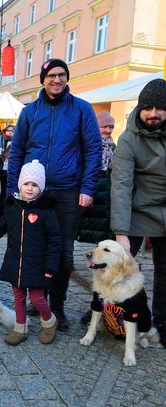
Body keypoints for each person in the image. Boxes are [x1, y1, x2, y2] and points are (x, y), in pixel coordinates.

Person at [8, 58, 101, 331]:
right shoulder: (29, 112)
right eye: (51, 75)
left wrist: (87, 188)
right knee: (34, 249)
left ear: (67, 78)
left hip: (67, 192)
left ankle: (57, 307)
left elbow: (93, 150)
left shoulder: (82, 109)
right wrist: (14, 189)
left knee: (62, 252)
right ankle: (41, 303)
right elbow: (17, 152)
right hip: (34, 192)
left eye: (61, 75)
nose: (56, 80)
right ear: (43, 79)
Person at [0, 160, 61, 345]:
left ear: (41, 187)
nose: (30, 188)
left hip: (37, 264)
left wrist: (50, 265)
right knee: (18, 296)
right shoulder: (12, 208)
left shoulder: (46, 210)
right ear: (20, 184)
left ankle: (49, 322)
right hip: (15, 262)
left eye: (34, 185)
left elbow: (55, 240)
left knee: (36, 297)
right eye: (26, 184)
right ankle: (20, 328)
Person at [110, 78, 166, 347]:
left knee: (165, 270)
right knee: (118, 264)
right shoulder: (129, 138)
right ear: (140, 109)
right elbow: (121, 185)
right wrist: (121, 232)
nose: (153, 113)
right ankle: (109, 307)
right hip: (135, 208)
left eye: (160, 108)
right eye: (148, 107)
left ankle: (161, 320)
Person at [77, 111, 116, 244]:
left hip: (106, 194)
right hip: (92, 190)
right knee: (89, 227)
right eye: (104, 126)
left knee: (103, 231)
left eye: (111, 127)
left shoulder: (113, 146)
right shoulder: (86, 144)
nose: (108, 130)